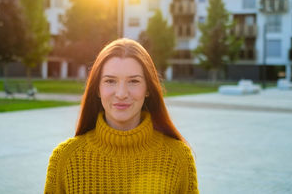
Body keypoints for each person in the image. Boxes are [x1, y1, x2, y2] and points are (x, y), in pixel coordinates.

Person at [44, 38, 198, 193]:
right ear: (97, 89)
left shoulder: (179, 158)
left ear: (148, 89)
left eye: (134, 81)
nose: (121, 93)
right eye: (110, 81)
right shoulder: (64, 159)